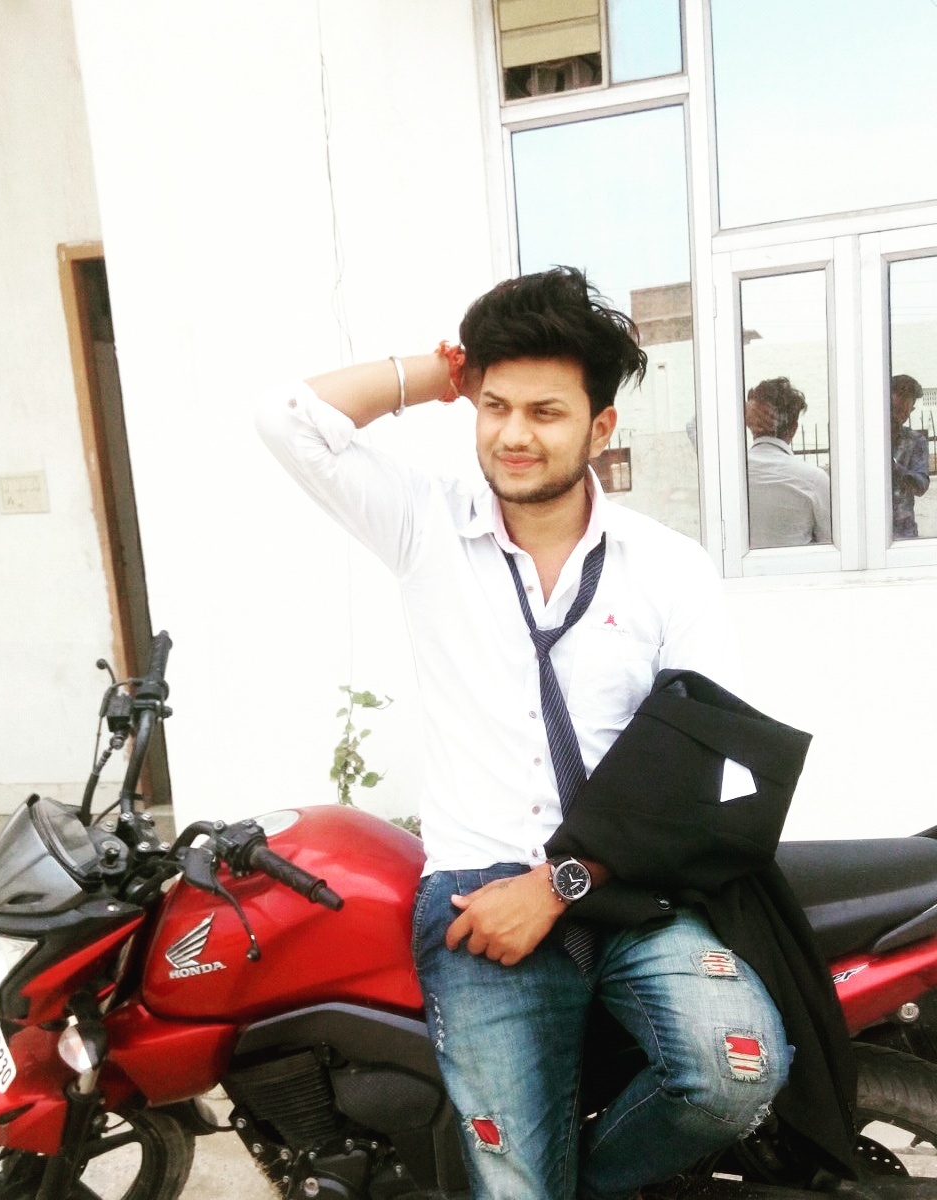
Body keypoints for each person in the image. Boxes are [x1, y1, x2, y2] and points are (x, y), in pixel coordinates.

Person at [256, 267, 791, 1200]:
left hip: (628, 887)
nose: (513, 435)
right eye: (494, 406)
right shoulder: (426, 526)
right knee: (513, 1180)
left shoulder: (669, 568)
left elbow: (701, 761)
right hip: (477, 892)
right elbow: (288, 419)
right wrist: (439, 370)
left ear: (600, 428)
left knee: (735, 1073)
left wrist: (560, 883)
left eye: (546, 412)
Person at [744, 377, 831, 549]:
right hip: (795, 566)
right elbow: (830, 543)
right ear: (794, 428)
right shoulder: (813, 479)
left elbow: (693, 427)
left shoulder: (729, 474)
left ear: (750, 423)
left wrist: (742, 410)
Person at [891, 374, 930, 539]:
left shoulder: (915, 441)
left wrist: (895, 469)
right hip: (867, 531)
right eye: (895, 410)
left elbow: (921, 485)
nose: (899, 417)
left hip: (903, 534)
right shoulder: (866, 438)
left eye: (904, 412)